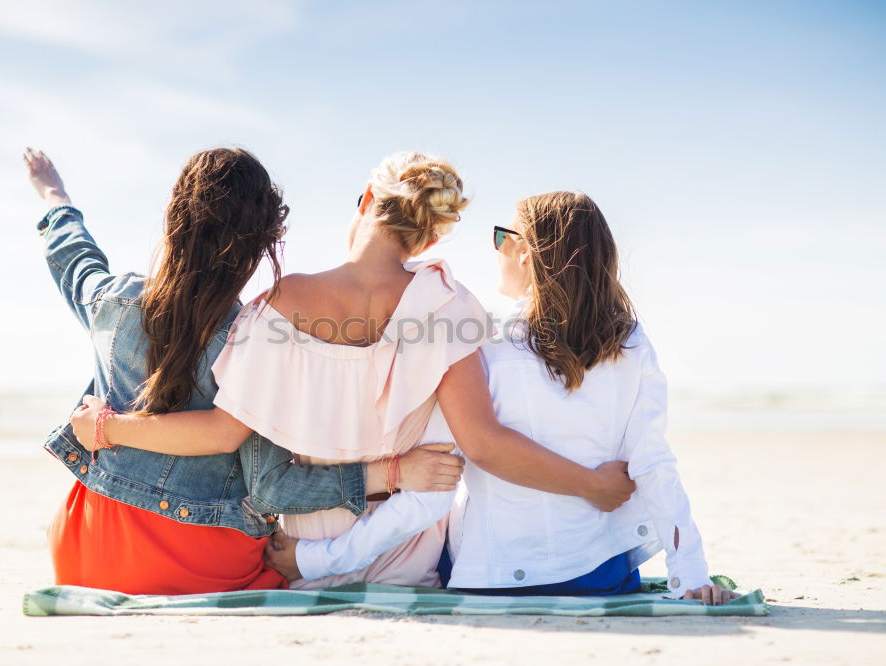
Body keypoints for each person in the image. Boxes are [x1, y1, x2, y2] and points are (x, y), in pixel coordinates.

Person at [71, 152, 636, 589]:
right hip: (403, 548)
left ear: (367, 198)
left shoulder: (281, 303)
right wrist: (593, 486)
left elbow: (238, 449)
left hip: (301, 543)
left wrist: (110, 427)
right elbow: (483, 444)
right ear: (434, 233)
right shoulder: (451, 308)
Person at [24, 147, 464, 595]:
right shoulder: (257, 335)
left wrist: (55, 198)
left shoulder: (110, 303)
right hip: (205, 564)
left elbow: (74, 258)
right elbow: (272, 485)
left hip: (84, 551)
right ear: (265, 241)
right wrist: (391, 474)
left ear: (173, 217)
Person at [265, 192, 738, 605]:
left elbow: (432, 492)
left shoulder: (480, 345)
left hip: (490, 577)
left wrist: (315, 560)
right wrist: (691, 575)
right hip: (600, 576)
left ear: (527, 253)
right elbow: (653, 464)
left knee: (439, 494)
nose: (495, 252)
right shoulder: (630, 342)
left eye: (500, 237)